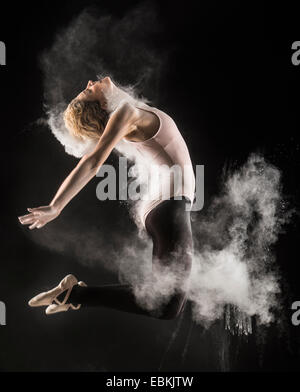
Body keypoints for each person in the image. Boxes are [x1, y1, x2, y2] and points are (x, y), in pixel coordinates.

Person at [18, 76, 195, 320]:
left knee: (166, 303)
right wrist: (55, 206)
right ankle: (76, 296)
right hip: (169, 206)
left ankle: (76, 296)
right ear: (102, 106)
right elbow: (91, 161)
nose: (90, 82)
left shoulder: (130, 110)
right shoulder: (126, 112)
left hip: (165, 207)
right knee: (166, 304)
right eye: (87, 91)